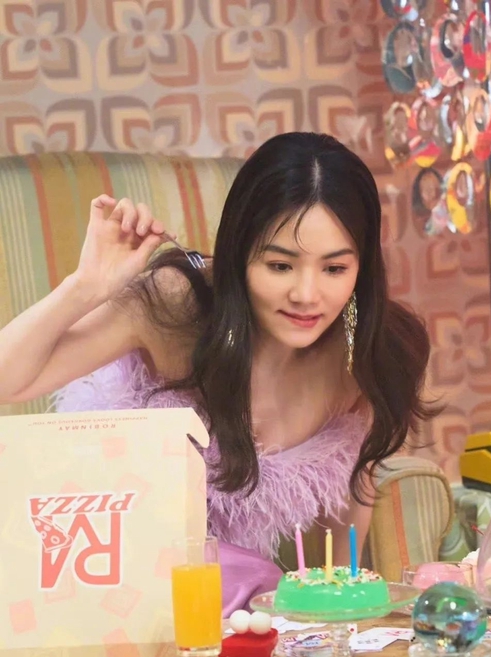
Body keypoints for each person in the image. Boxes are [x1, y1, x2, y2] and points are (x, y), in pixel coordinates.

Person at [0, 132, 433, 613]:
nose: (307, 295)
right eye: (280, 265)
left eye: (334, 269)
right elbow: (8, 382)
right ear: (238, 253)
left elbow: (350, 484)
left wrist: (336, 604)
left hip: (221, 605)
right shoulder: (176, 308)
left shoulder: (372, 352)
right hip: (95, 568)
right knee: (253, 582)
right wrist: (87, 285)